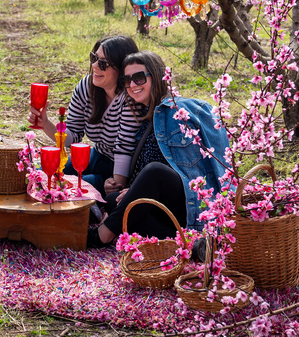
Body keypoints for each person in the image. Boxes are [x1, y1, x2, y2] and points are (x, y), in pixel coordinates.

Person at [88, 51, 229, 248]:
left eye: (138, 78)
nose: (132, 85)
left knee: (155, 171)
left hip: (191, 203)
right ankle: (186, 243)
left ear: (156, 76)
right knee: (114, 200)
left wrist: (138, 189)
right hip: (166, 205)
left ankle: (101, 235)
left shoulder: (173, 112)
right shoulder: (147, 116)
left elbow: (184, 171)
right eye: (126, 80)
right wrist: (132, 191)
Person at [28, 35, 141, 198]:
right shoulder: (86, 87)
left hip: (118, 169)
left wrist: (116, 185)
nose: (95, 66)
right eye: (94, 58)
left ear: (122, 69)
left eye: (103, 63)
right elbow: (72, 135)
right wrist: (44, 122)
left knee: (67, 187)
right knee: (41, 176)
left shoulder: (130, 98)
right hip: (94, 156)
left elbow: (124, 149)